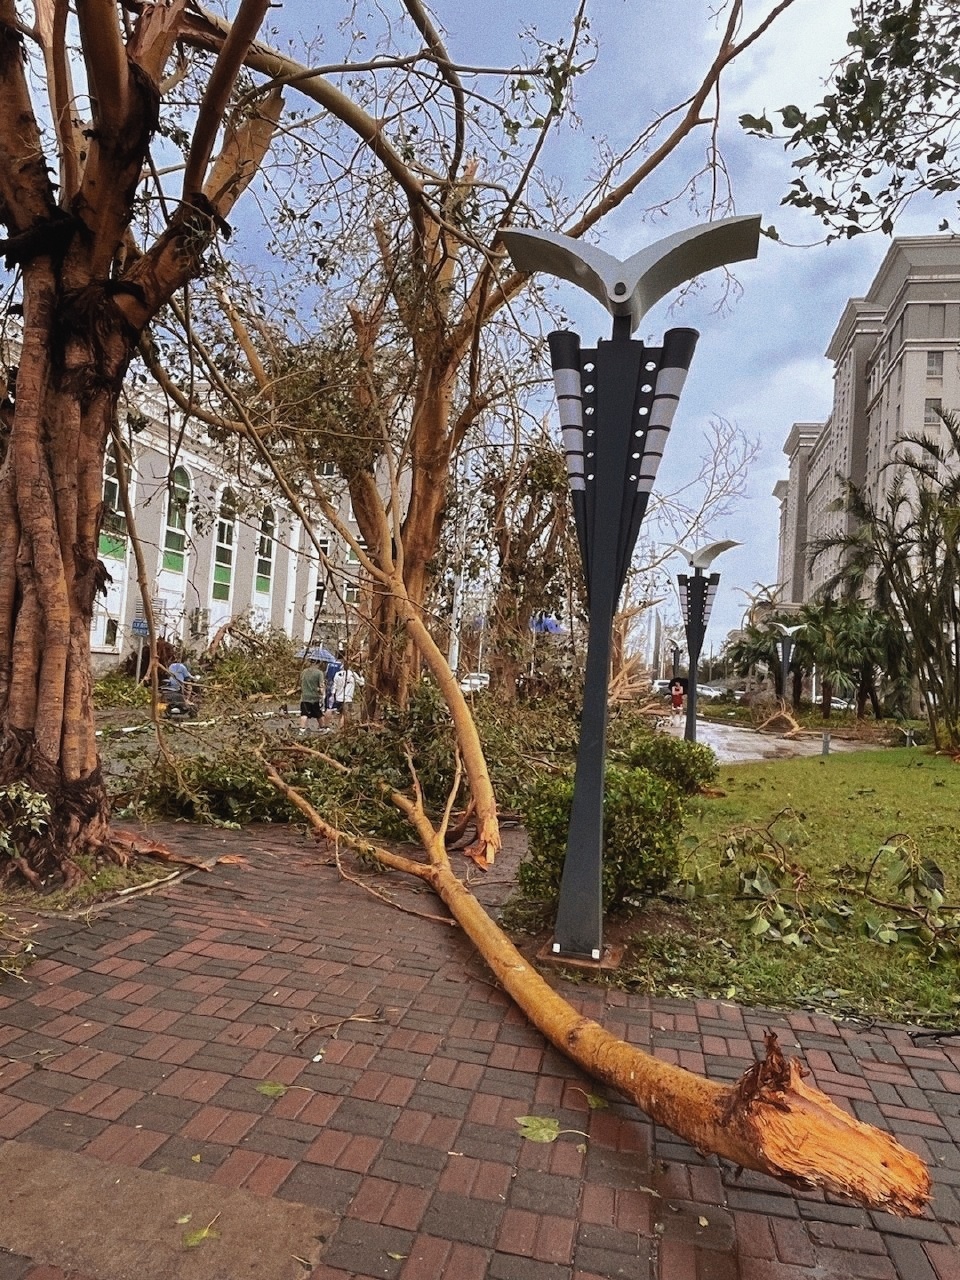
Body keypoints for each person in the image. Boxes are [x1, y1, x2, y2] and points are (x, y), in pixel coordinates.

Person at [299, 659, 326, 732]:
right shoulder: (319, 673)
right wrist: (322, 693)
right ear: (319, 662)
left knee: (304, 714)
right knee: (319, 714)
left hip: (304, 697)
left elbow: (300, 683)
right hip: (315, 698)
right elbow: (321, 686)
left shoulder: (304, 672)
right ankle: (322, 727)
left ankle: (302, 729)